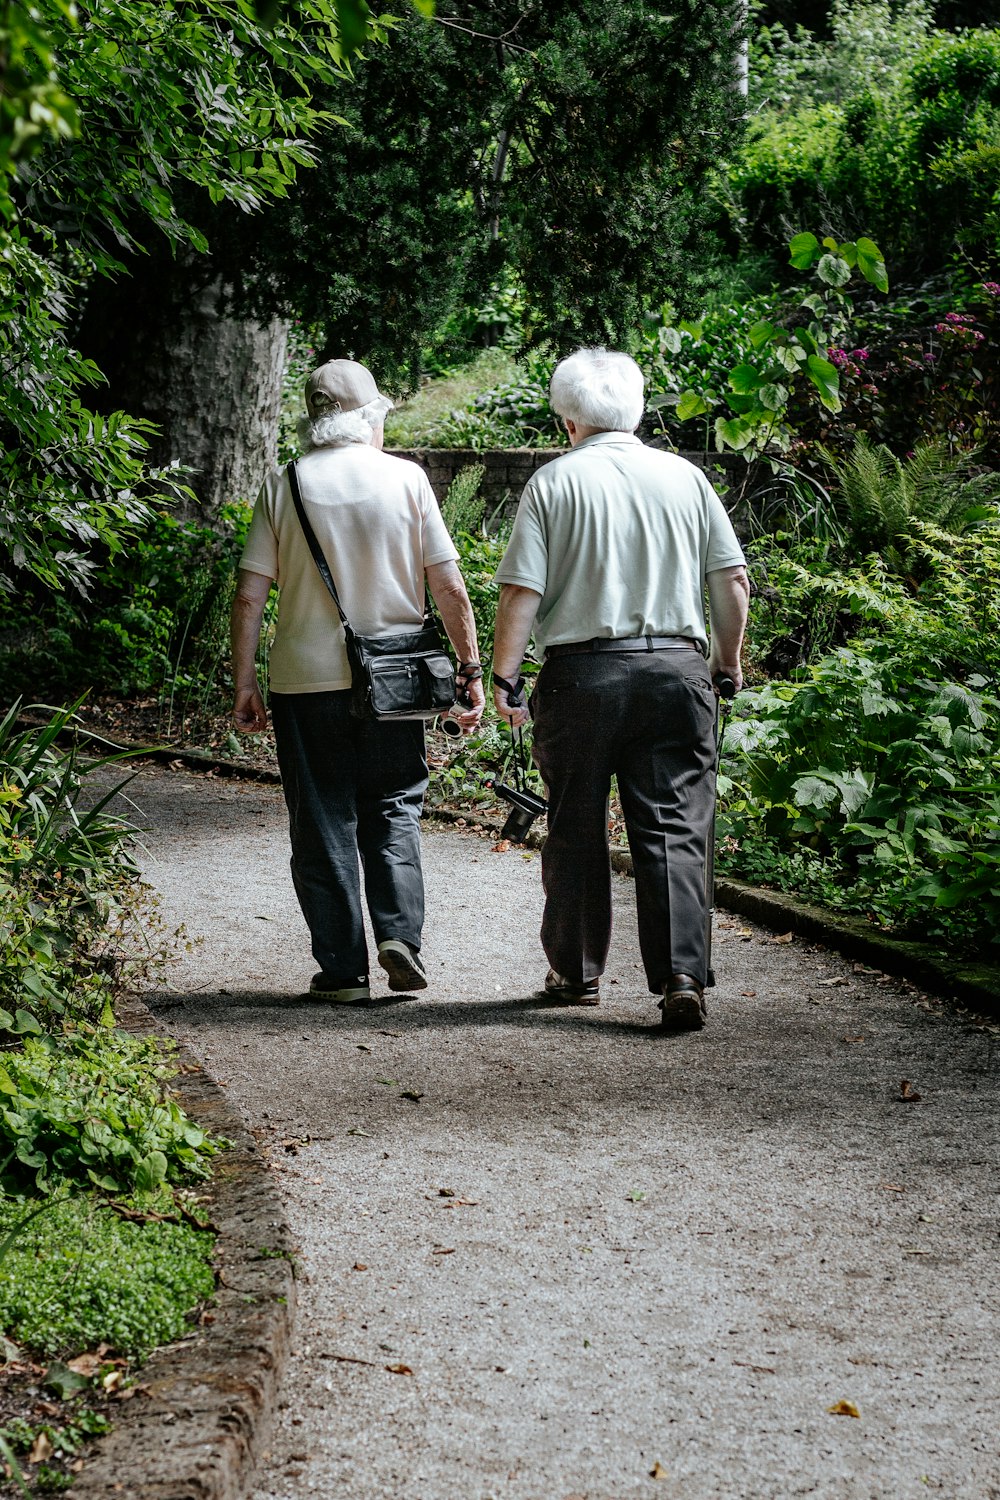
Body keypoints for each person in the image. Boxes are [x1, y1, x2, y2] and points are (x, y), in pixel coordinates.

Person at [491, 347, 749, 1031]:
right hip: (675, 670)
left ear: (567, 418)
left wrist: (505, 676)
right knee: (674, 827)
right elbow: (731, 581)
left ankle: (575, 973)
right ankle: (681, 977)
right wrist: (727, 661)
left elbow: (523, 591)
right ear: (635, 409)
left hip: (582, 676)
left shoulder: (553, 483)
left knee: (574, 821)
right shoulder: (685, 477)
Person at [231, 358, 485, 1003]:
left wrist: (244, 681)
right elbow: (448, 585)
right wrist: (470, 669)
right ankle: (400, 935)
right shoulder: (407, 479)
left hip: (304, 682)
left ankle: (343, 971)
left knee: (320, 819)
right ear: (369, 415)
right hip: (395, 679)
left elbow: (249, 596)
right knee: (394, 805)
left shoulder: (283, 484)